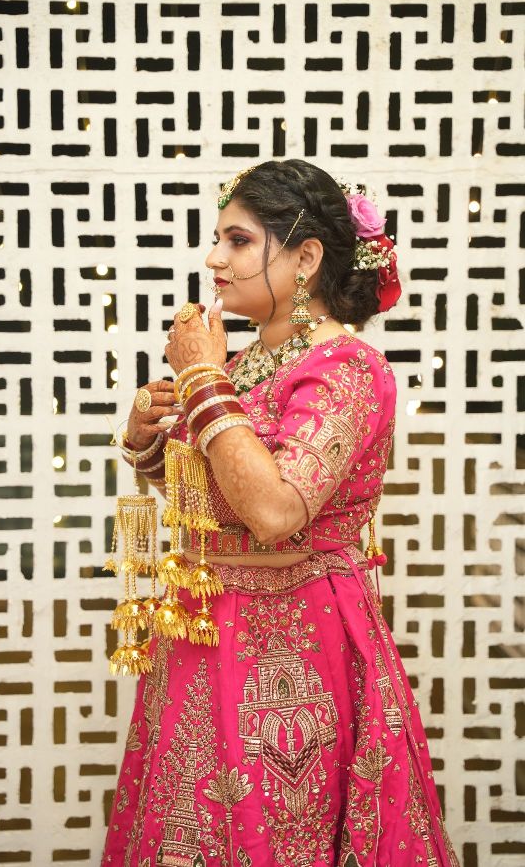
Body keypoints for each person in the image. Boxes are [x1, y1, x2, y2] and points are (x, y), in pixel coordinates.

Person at [101, 159, 459, 866]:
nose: (214, 259)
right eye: (218, 240)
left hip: (293, 645)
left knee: (281, 832)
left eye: (237, 241)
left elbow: (273, 510)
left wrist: (201, 379)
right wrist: (149, 444)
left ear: (306, 258)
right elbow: (219, 505)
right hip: (205, 632)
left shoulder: (348, 368)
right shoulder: (241, 368)